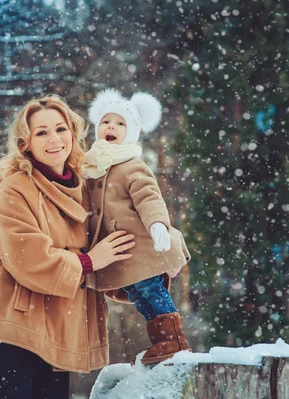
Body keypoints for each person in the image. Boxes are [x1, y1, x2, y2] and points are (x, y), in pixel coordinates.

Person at [0, 95, 135, 399]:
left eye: (61, 129)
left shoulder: (87, 190)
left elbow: (109, 255)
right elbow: (28, 257)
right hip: (8, 337)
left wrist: (152, 275)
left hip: (56, 338)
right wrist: (88, 262)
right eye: (41, 132)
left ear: (73, 133)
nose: (54, 139)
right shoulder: (14, 189)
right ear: (25, 143)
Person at [83, 88, 191, 365]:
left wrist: (158, 224)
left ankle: (174, 340)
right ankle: (160, 341)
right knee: (139, 295)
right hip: (119, 254)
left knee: (152, 290)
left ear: (130, 132)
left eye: (120, 124)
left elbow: (149, 197)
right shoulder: (92, 166)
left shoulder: (132, 165)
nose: (112, 127)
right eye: (107, 122)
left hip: (139, 246)